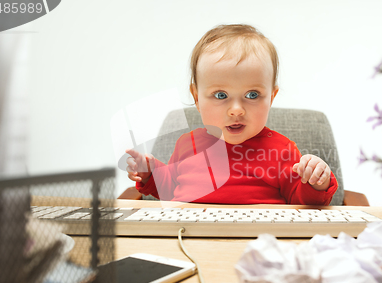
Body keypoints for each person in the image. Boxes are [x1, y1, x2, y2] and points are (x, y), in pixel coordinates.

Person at [126, 24, 338, 205]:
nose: (236, 109)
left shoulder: (282, 151)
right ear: (197, 98)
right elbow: (170, 186)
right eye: (220, 95)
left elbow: (301, 201)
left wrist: (316, 182)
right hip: (187, 235)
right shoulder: (187, 144)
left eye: (252, 94)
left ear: (271, 98)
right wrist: (150, 173)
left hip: (256, 240)